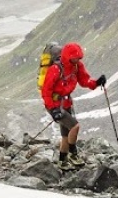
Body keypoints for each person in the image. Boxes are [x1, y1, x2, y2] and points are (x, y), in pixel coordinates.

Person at [40, 42, 105, 170]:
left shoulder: (76, 66)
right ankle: (73, 154)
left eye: (79, 58)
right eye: (75, 58)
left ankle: (62, 162)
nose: (77, 60)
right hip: (55, 104)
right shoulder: (55, 69)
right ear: (67, 56)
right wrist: (53, 110)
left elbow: (84, 81)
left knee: (66, 135)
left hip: (66, 103)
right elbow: (46, 91)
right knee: (75, 126)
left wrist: (97, 83)